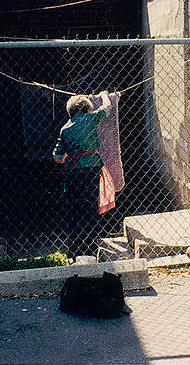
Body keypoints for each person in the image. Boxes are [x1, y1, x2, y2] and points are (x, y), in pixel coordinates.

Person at [53, 91, 111, 260]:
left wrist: (70, 154)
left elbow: (57, 157)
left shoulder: (65, 129)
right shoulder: (91, 118)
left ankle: (73, 252)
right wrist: (104, 94)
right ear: (86, 108)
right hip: (91, 171)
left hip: (72, 173)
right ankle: (90, 251)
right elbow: (107, 107)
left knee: (74, 211)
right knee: (90, 209)